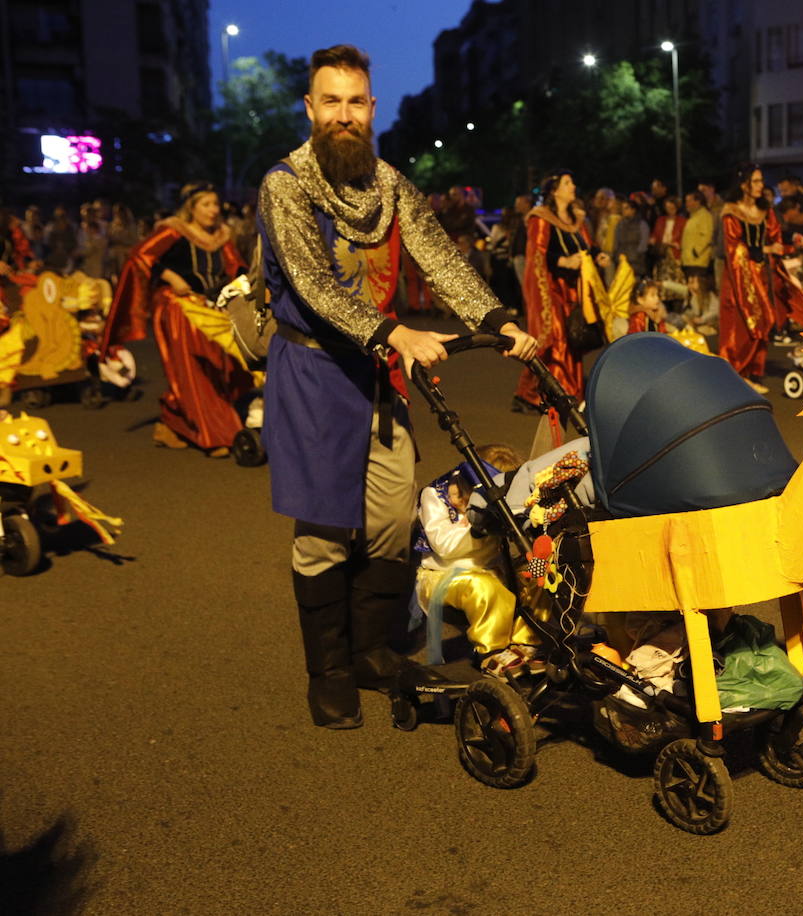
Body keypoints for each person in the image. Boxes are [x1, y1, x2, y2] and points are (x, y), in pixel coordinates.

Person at [256, 44, 537, 729]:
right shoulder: (285, 185)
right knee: (324, 530)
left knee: (388, 521)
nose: (344, 115)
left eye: (356, 102)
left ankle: (373, 651)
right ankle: (328, 673)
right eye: (331, 101)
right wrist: (393, 335)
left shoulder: (388, 183)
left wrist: (496, 320)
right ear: (310, 107)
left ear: (371, 108)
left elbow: (439, 255)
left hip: (377, 375)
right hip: (317, 371)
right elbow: (313, 285)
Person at [102, 182, 255, 456]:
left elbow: (236, 268)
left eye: (216, 204)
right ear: (191, 208)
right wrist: (171, 276)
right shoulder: (174, 231)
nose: (213, 210)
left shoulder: (222, 235)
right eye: (206, 205)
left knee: (228, 361)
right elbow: (140, 256)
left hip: (208, 304)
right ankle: (215, 434)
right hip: (176, 306)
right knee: (193, 368)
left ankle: (173, 423)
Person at [413, 444, 542, 674]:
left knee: (538, 573)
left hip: (491, 569)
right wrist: (478, 525)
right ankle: (491, 651)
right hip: (441, 576)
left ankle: (526, 642)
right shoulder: (434, 495)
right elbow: (444, 545)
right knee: (485, 588)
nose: (458, 497)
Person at [513, 170, 610, 412]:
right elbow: (538, 254)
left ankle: (568, 391)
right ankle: (535, 394)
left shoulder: (576, 218)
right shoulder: (541, 218)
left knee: (571, 343)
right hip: (552, 290)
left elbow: (587, 246)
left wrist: (598, 255)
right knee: (554, 341)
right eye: (568, 183)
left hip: (573, 291)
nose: (573, 186)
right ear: (555, 191)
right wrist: (564, 262)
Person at [718, 164, 803, 394]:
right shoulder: (731, 213)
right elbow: (735, 249)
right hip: (739, 279)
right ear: (744, 185)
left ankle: (753, 372)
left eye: (761, 181)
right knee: (740, 326)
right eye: (756, 181)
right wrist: (766, 250)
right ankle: (735, 374)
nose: (761, 185)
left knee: (765, 321)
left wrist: (793, 242)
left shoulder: (765, 210)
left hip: (761, 276)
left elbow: (776, 236)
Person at [649, 196, 685, 263]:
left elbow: (685, 237)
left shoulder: (682, 221)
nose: (670, 210)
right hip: (661, 252)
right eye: (668, 208)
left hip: (675, 253)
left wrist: (677, 244)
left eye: (672, 208)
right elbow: (655, 234)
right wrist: (652, 239)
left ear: (677, 208)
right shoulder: (660, 220)